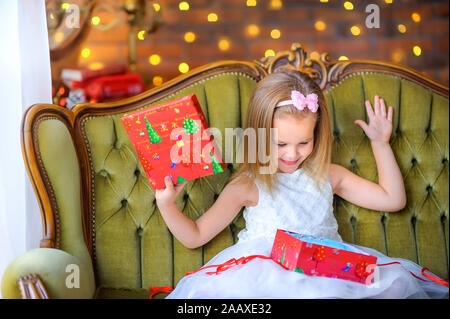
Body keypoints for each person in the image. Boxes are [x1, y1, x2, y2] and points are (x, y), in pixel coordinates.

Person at [155, 69, 448, 299]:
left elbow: (392, 200)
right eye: (280, 143)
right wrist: (166, 204)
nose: (292, 154)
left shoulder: (328, 175)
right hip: (263, 275)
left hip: (327, 270)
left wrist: (380, 144)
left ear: (317, 135)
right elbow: (194, 237)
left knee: (395, 287)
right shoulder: (247, 185)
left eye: (303, 142)